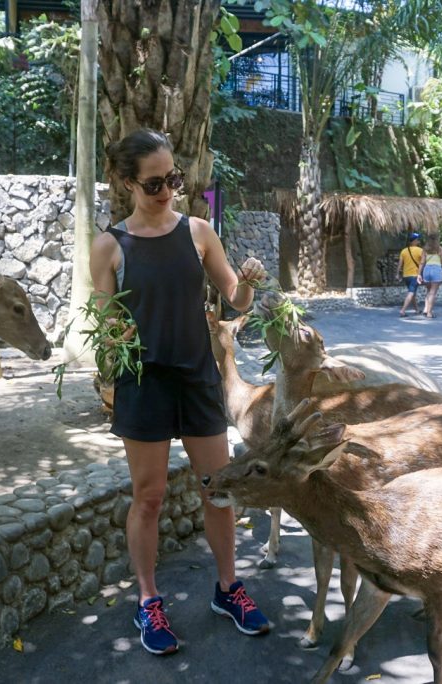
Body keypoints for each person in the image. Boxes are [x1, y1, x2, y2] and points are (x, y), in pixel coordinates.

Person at [89, 128, 270, 656]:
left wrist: (251, 282)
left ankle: (227, 588)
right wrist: (113, 334)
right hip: (143, 385)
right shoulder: (110, 245)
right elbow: (104, 324)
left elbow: (236, 299)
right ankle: (148, 602)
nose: (167, 190)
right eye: (154, 183)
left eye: (173, 178)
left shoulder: (198, 231)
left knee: (217, 488)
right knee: (148, 497)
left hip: (196, 378)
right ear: (126, 182)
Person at [417, 233, 442, 318]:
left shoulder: (425, 249)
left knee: (429, 291)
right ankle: (429, 313)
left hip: (426, 269)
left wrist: (419, 274)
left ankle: (426, 309)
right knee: (433, 292)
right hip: (436, 269)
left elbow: (422, 262)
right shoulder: (440, 249)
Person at [398, 232, 423, 317]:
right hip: (415, 275)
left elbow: (400, 264)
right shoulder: (420, 250)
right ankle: (403, 310)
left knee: (412, 293)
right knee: (411, 292)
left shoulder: (404, 251)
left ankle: (417, 309)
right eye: (418, 239)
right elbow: (423, 263)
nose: (419, 241)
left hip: (406, 275)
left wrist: (397, 273)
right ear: (414, 241)